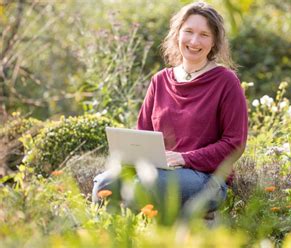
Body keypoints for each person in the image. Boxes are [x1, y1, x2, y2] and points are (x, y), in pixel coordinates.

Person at [92, 1, 248, 215]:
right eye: (189, 31)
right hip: (159, 171)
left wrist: (184, 158)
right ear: (177, 35)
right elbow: (143, 134)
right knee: (104, 184)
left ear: (214, 42)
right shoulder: (160, 80)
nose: (194, 41)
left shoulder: (226, 82)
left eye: (204, 35)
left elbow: (234, 143)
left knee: (141, 187)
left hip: (206, 178)